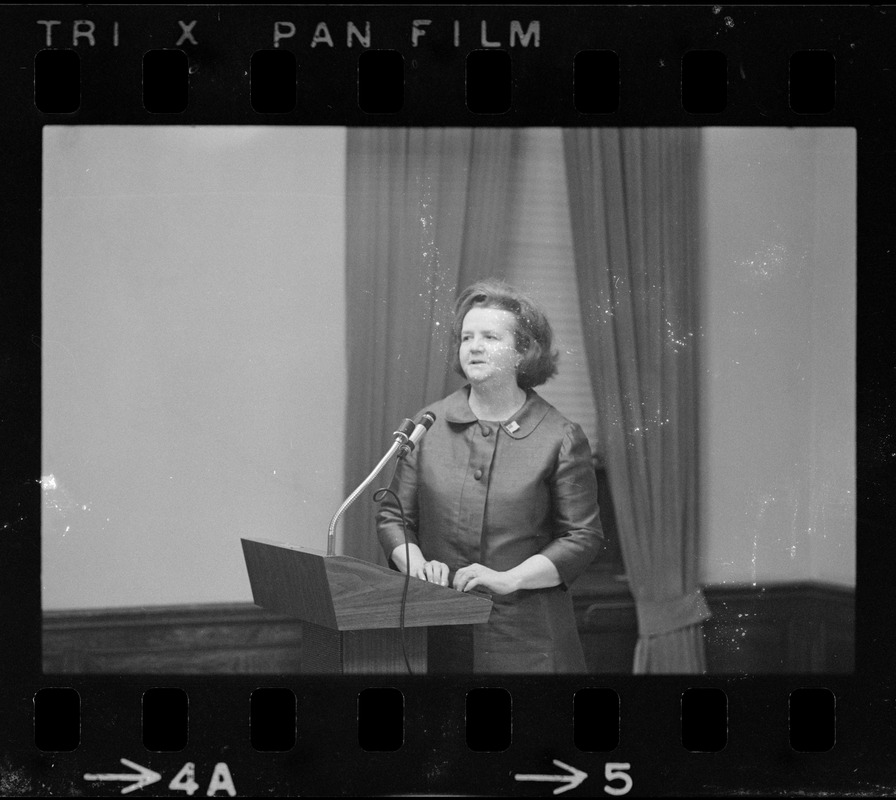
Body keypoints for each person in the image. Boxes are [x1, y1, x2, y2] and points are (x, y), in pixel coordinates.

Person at [376, 278, 603, 673]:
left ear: (522, 352)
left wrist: (510, 579)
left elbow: (582, 537)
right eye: (467, 337)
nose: (474, 347)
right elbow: (394, 517)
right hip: (439, 632)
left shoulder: (560, 436)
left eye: (490, 337)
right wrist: (415, 564)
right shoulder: (428, 426)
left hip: (528, 641)